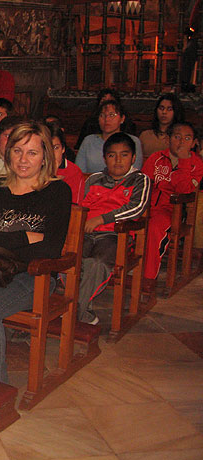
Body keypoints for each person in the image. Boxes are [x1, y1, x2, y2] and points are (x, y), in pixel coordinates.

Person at [0, 120, 71, 383]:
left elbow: (51, 249)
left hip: (32, 276)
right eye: (17, 150)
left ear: (44, 157)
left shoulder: (57, 191)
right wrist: (26, 237)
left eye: (32, 152)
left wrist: (5, 244)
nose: (23, 159)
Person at [78, 133, 151, 325]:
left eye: (124, 155)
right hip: (86, 233)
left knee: (96, 263)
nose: (118, 160)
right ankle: (81, 308)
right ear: (104, 158)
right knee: (70, 258)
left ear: (133, 158)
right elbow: (80, 207)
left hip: (115, 235)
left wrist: (102, 219)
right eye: (112, 155)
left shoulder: (139, 180)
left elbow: (137, 208)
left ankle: (75, 311)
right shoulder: (94, 179)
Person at [141, 122, 203, 293]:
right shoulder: (156, 158)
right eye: (177, 137)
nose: (181, 142)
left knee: (154, 228)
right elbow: (144, 183)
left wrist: (183, 162)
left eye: (187, 138)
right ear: (168, 139)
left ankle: (148, 277)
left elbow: (183, 190)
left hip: (172, 210)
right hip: (147, 206)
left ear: (194, 143)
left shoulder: (196, 164)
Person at [76, 100, 143, 173]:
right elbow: (79, 172)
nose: (106, 119)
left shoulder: (132, 141)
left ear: (122, 118)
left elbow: (134, 172)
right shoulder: (88, 141)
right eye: (102, 115)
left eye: (112, 115)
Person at [47, 122, 85, 204]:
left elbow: (74, 207)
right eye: (47, 148)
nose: (51, 153)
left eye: (55, 148)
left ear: (63, 148)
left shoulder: (74, 172)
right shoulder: (32, 168)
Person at [139, 94, 186, 158]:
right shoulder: (145, 135)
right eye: (161, 108)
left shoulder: (179, 138)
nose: (164, 112)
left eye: (169, 109)